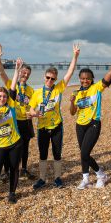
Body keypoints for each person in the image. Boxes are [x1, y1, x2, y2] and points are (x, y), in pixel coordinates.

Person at [69, 46, 111, 189]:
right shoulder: (77, 92)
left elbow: (110, 73)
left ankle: (101, 175)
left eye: (87, 79)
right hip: (79, 124)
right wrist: (71, 101)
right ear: (80, 79)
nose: (85, 81)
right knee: (83, 154)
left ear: (92, 79)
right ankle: (86, 179)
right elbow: (72, 112)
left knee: (84, 153)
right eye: (82, 79)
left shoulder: (97, 88)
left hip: (93, 123)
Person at [29, 44, 80, 189]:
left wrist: (75, 56)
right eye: (48, 78)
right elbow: (31, 110)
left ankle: (58, 178)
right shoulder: (37, 93)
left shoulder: (58, 88)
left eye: (53, 79)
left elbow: (70, 72)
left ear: (55, 79)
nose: (50, 81)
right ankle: (42, 179)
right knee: (43, 154)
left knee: (57, 154)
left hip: (57, 126)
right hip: (42, 127)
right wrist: (34, 113)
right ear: (44, 77)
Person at [0, 58, 23, 205]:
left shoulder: (11, 105)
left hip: (14, 143)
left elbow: (12, 86)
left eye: (4, 96)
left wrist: (16, 70)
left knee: (14, 169)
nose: (2, 98)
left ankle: (12, 193)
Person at [0, 44, 35, 180]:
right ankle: (7, 171)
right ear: (19, 72)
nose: (25, 75)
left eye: (28, 74)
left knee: (25, 147)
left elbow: (32, 106)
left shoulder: (31, 90)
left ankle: (23, 169)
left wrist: (33, 112)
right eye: (24, 73)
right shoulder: (11, 85)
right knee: (8, 146)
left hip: (26, 122)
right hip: (12, 121)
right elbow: (1, 73)